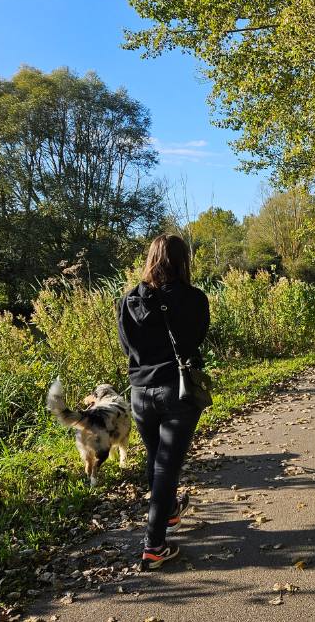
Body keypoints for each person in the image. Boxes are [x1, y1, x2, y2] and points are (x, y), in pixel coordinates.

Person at [117, 234, 210, 570]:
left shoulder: (128, 300)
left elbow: (127, 347)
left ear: (151, 259)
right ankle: (153, 546)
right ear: (182, 261)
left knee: (156, 458)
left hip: (140, 392)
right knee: (166, 467)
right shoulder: (195, 299)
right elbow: (197, 338)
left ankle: (169, 513)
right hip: (178, 391)